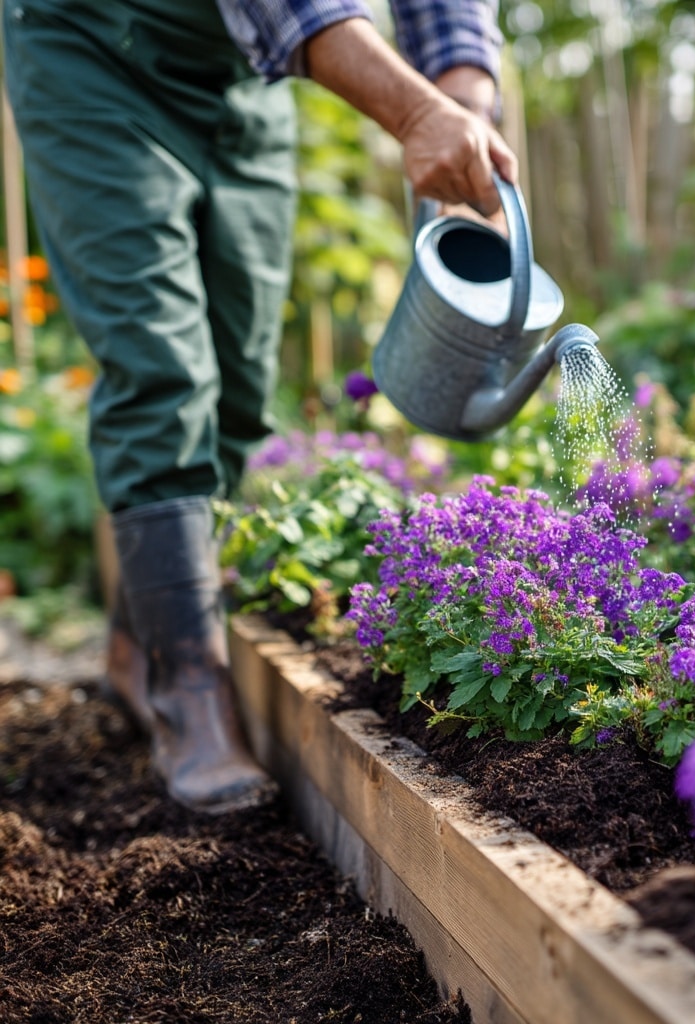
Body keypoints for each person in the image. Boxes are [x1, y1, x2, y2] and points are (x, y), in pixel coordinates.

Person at [2, 0, 517, 815]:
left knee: (240, 388)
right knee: (160, 366)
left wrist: (464, 103)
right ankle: (191, 691)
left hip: (239, 79)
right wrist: (418, 114)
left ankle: (140, 647)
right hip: (93, 44)